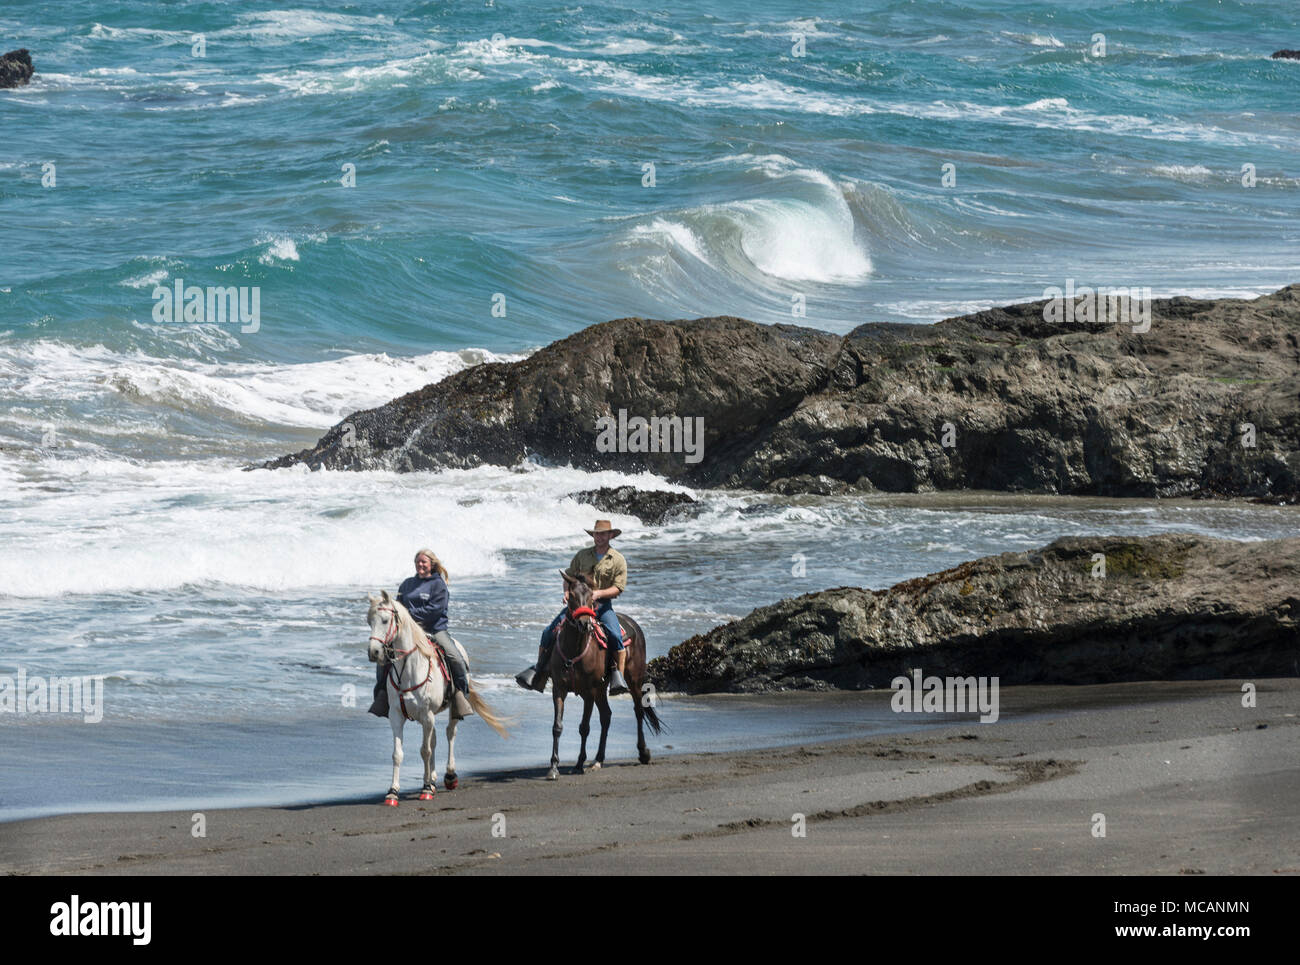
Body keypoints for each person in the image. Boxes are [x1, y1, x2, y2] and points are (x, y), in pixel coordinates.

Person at [516, 520, 629, 696]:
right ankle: (540, 672)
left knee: (615, 635)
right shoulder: (582, 555)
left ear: (610, 535)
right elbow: (568, 578)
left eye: (603, 534)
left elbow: (618, 587)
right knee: (548, 632)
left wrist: (598, 594)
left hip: (602, 606)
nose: (599, 537)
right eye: (596, 534)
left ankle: (617, 678)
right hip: (579, 606)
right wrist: (567, 593)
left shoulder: (617, 559)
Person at [369, 549, 474, 719]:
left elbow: (434, 610)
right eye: (417, 562)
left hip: (434, 630)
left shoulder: (438, 585)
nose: (420, 565)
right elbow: (398, 610)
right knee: (383, 657)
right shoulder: (407, 584)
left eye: (424, 562)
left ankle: (461, 696)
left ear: (432, 564)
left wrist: (408, 614)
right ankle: (382, 695)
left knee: (455, 657)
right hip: (407, 633)